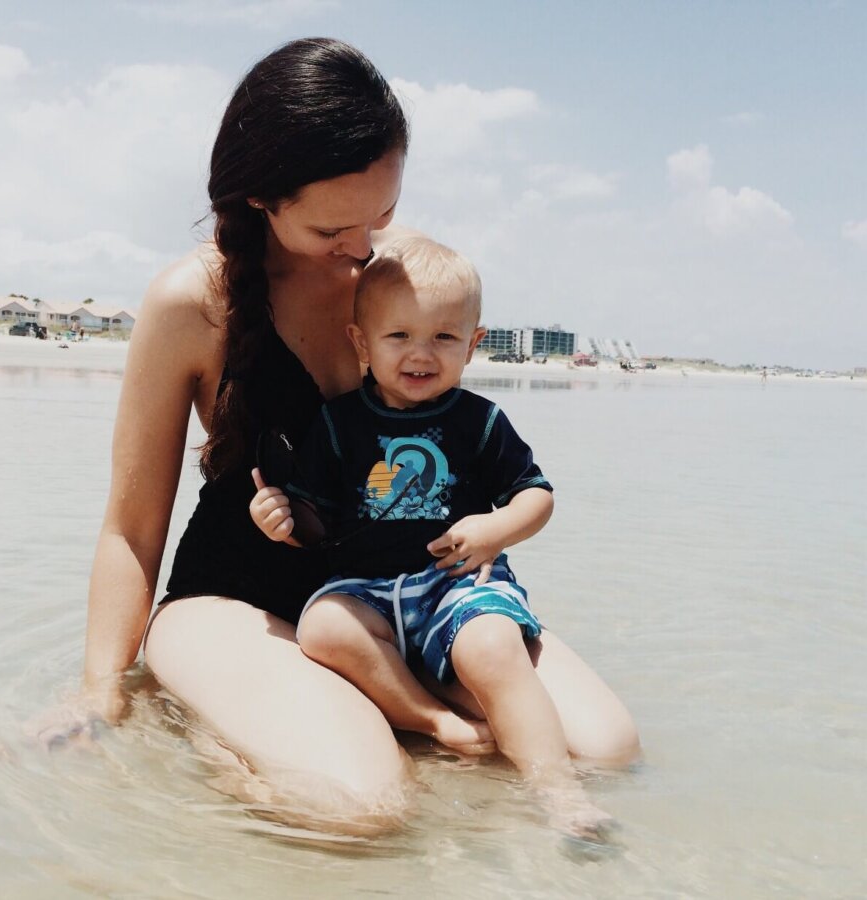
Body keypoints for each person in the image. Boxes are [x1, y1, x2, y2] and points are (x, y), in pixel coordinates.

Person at [71, 37, 638, 834]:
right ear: (262, 196)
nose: (365, 247)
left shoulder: (393, 280)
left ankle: (380, 717)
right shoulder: (192, 302)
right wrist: (101, 688)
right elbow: (131, 529)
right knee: (363, 813)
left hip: (406, 596)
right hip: (240, 597)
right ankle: (212, 736)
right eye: (336, 226)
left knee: (606, 750)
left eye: (385, 214)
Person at [249, 238, 613, 830]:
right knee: (322, 626)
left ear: (473, 344)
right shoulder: (338, 424)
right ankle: (430, 719)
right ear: (361, 342)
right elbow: (316, 525)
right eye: (399, 336)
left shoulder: (480, 420)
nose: (421, 354)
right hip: (368, 588)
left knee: (494, 647)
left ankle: (560, 793)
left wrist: (497, 527)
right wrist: (281, 521)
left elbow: (537, 496)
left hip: (456, 584)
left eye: (444, 337)